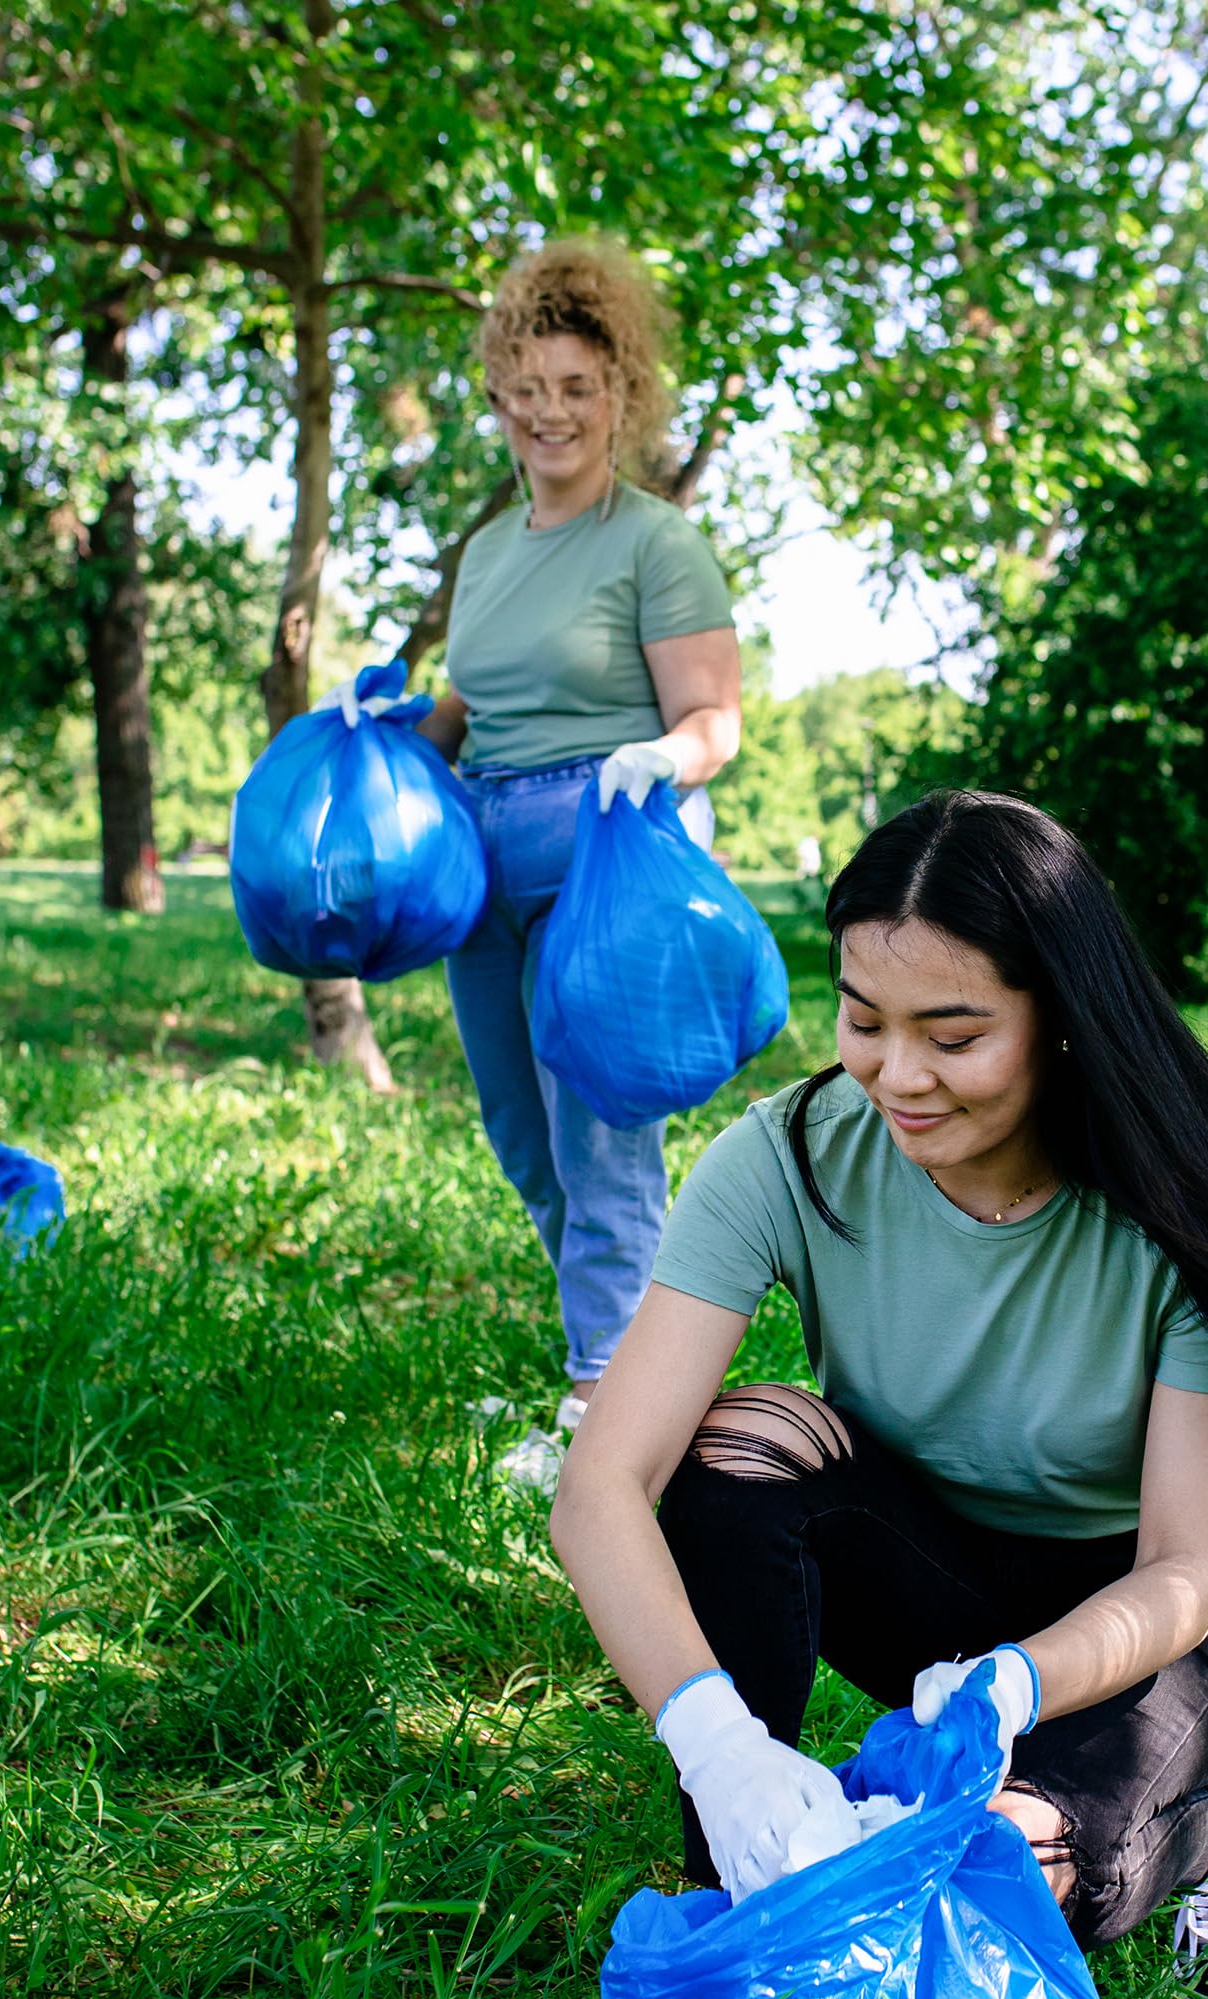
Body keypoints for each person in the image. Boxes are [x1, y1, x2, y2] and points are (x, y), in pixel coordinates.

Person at [550, 790, 1208, 1985]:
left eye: (953, 1036)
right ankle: (746, 1893)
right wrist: (716, 1745)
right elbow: (601, 1483)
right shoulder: (784, 1155)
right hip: (937, 1572)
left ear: (1059, 1019)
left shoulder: (1188, 1201)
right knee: (741, 1437)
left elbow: (1181, 1567)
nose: (895, 1074)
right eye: (863, 1020)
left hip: (1155, 1607)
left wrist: (1020, 1681)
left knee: (1011, 1867)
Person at [323, 239, 742, 1474]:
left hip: (605, 851)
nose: (552, 411)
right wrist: (398, 728)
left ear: (621, 393)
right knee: (523, 1132)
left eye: (578, 385)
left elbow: (713, 719)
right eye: (529, 384)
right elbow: (473, 702)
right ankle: (633, 1357)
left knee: (599, 1136)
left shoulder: (656, 543)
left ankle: (606, 1415)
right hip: (481, 859)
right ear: (497, 393)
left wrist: (659, 763)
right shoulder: (492, 550)